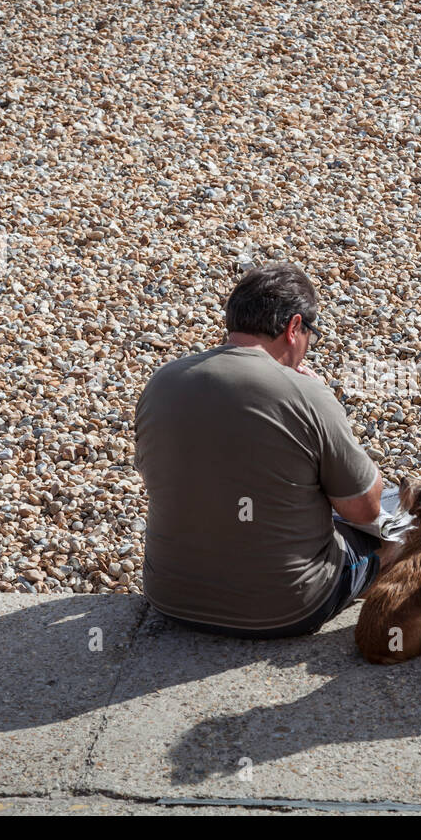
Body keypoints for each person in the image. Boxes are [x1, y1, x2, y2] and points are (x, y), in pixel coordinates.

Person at [134, 261, 395, 638]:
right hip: (287, 608)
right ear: (294, 328)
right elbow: (364, 508)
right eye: (311, 334)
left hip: (170, 599)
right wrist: (325, 405)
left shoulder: (162, 382)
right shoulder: (307, 394)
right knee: (410, 524)